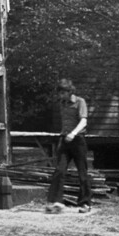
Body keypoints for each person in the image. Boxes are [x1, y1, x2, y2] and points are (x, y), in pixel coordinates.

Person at [46, 79, 93, 210]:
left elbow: (83, 121)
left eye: (62, 93)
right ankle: (56, 202)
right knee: (59, 170)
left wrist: (73, 133)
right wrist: (65, 135)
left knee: (82, 172)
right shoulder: (62, 104)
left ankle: (85, 203)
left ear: (69, 91)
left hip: (78, 140)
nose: (60, 96)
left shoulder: (80, 102)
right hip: (65, 140)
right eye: (59, 93)